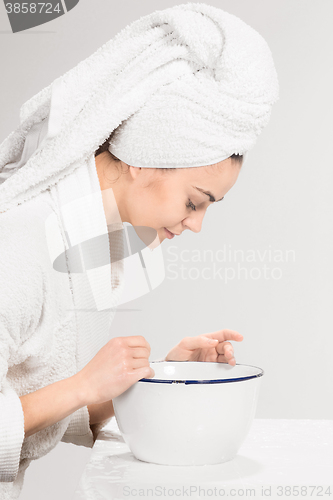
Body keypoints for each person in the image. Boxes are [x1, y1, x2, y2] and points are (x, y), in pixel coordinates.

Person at [0, 2, 279, 498]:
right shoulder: (21, 247)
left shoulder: (95, 245)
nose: (196, 225)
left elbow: (49, 412)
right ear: (147, 160)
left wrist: (154, 378)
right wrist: (84, 384)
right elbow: (70, 391)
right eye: (196, 202)